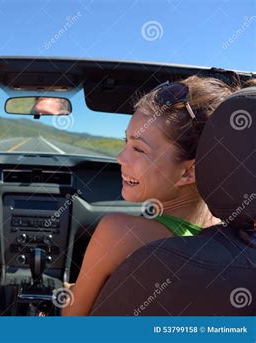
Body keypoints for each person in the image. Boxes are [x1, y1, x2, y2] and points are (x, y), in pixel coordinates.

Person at [62, 75, 236, 316]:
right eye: (125, 141)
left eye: (139, 149)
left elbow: (71, 319)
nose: (120, 158)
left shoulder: (119, 232)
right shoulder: (237, 244)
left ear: (189, 171)